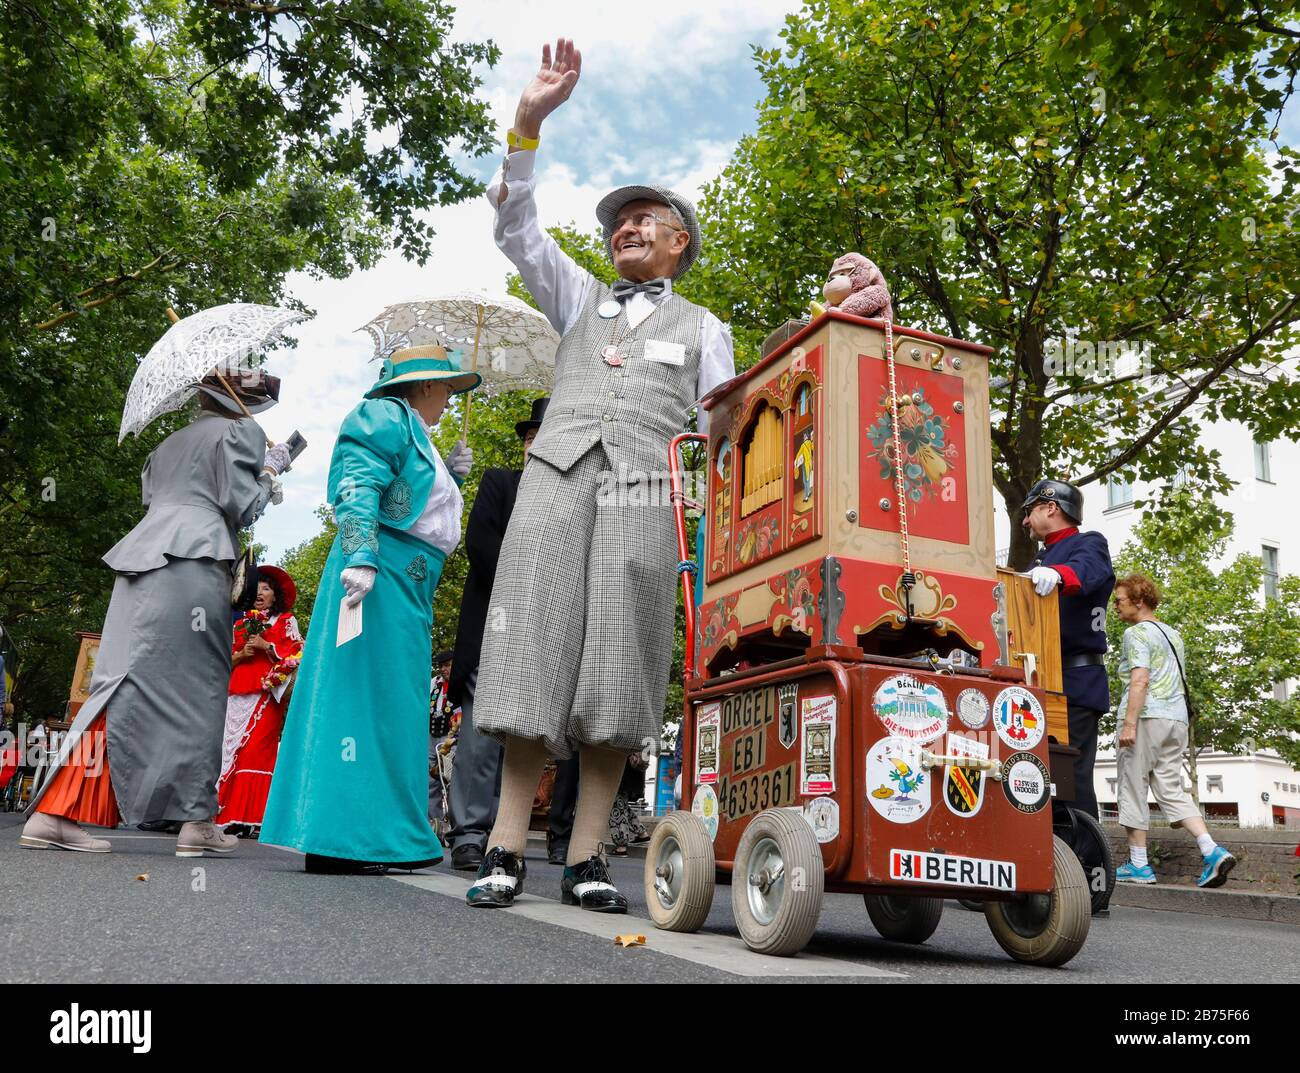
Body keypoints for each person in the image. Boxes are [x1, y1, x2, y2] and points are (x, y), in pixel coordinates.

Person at [466, 39, 736, 913]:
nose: (626, 227)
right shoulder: (577, 296)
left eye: (645, 218)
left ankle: (586, 858)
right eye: (620, 221)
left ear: (679, 242)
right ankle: (504, 847)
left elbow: (720, 429)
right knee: (529, 650)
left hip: (646, 493)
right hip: (555, 481)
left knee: (620, 666)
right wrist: (527, 128)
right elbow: (516, 230)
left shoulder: (707, 328)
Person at [20, 371, 291, 856]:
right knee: (200, 689)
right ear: (245, 402)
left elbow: (158, 499)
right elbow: (241, 507)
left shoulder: (167, 445)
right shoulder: (242, 432)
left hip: (141, 563)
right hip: (196, 562)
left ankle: (57, 811)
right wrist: (271, 472)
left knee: (119, 680)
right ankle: (196, 821)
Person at [259, 345, 478, 875]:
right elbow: (357, 482)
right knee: (361, 695)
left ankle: (370, 834)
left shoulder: (415, 432)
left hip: (407, 582)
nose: (451, 399)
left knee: (391, 701)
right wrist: (360, 554)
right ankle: (341, 838)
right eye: (448, 388)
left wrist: (450, 476)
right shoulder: (383, 414)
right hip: (380, 570)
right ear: (426, 385)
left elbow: (414, 503)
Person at [445, 397, 547, 871]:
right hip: (494, 625)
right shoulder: (500, 482)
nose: (533, 444)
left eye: (542, 436)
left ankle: (505, 837)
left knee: (523, 739)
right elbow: (480, 544)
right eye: (528, 437)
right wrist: (531, 578)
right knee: (479, 737)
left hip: (543, 633)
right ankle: (468, 832)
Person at [1112, 574, 1235, 888]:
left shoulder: (1137, 633)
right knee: (1170, 788)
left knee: (1132, 786)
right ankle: (1211, 849)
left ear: (1139, 601)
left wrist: (1129, 723)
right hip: (1176, 721)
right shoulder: (1173, 634)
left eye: (1119, 600)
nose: (1115, 606)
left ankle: (1139, 865)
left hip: (1146, 718)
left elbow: (1140, 679)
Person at [1020, 478, 1115, 819]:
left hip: (1076, 680)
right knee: (1039, 776)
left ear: (1051, 508)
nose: (1025, 521)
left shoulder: (1089, 543)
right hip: (1040, 681)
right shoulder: (1040, 560)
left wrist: (1059, 574)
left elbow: (1087, 570)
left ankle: (1083, 851)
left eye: (1030, 511)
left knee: (1071, 781)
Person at [216, 567, 302, 837]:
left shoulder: (286, 621)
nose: (259, 593)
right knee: (231, 753)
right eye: (256, 588)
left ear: (276, 595)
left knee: (255, 753)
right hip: (236, 694)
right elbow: (223, 662)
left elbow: (299, 653)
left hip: (266, 695)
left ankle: (252, 818)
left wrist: (268, 647)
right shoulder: (240, 625)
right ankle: (228, 814)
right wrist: (242, 653)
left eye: (266, 588)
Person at [428, 648, 458, 830]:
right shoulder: (434, 683)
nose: (443, 669)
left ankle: (456, 823)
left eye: (447, 665)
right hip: (432, 736)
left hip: (452, 738)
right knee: (430, 778)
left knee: (451, 778)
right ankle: (434, 823)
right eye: (441, 666)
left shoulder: (460, 683)